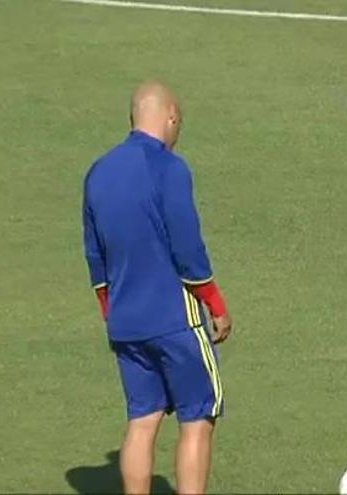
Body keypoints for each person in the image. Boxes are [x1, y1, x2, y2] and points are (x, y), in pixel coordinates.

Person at [82, 81, 233, 494]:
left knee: (143, 419)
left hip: (126, 322)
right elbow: (187, 246)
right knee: (197, 417)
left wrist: (112, 312)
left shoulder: (98, 172)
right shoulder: (169, 167)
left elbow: (95, 258)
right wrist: (216, 303)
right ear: (170, 117)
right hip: (175, 321)